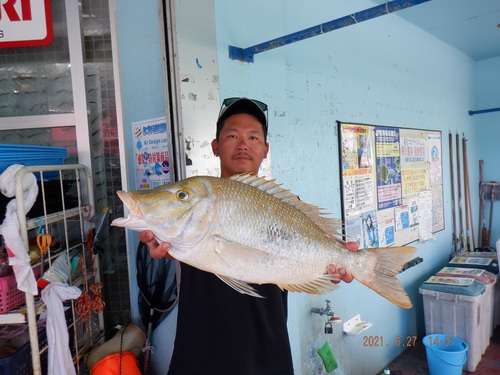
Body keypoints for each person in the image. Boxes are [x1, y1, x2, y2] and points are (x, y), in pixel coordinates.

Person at [139, 97, 355, 375]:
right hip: (198, 353)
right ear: (215, 146)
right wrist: (159, 247)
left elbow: (317, 254)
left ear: (265, 150)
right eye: (232, 135)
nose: (243, 144)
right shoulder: (193, 197)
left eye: (253, 137)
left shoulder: (289, 206)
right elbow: (170, 244)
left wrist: (338, 263)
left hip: (267, 353)